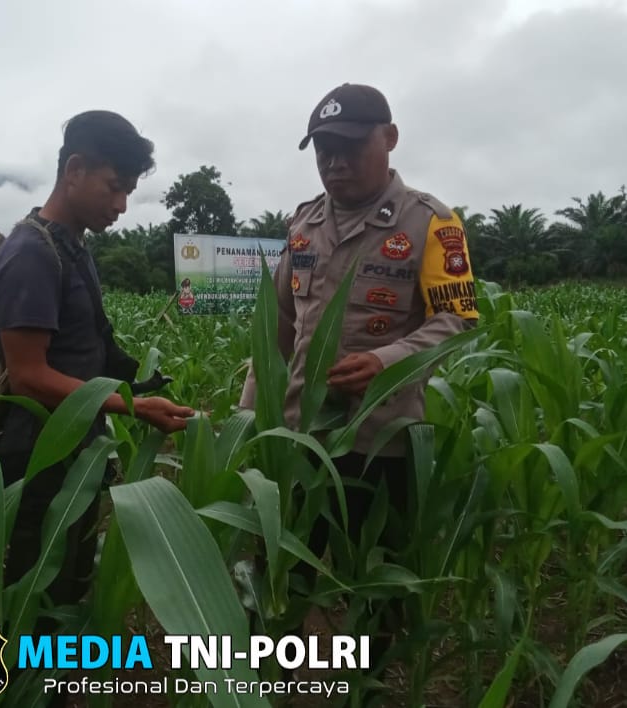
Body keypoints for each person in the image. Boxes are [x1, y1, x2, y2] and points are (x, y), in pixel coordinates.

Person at [239, 83, 479, 687]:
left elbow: (457, 322)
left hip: (381, 440)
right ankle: (267, 682)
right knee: (277, 575)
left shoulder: (432, 224)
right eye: (322, 149)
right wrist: (248, 420)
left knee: (373, 582)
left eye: (348, 147)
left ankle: (365, 689)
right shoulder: (303, 223)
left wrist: (388, 358)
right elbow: (276, 331)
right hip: (296, 436)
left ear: (389, 139)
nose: (334, 163)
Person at [0, 110, 194, 615]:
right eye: (113, 187)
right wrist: (134, 406)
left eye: (128, 192)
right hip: (39, 457)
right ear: (73, 170)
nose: (122, 205)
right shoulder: (32, 255)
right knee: (35, 592)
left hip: (72, 451)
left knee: (68, 581)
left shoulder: (71, 245)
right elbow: (29, 376)